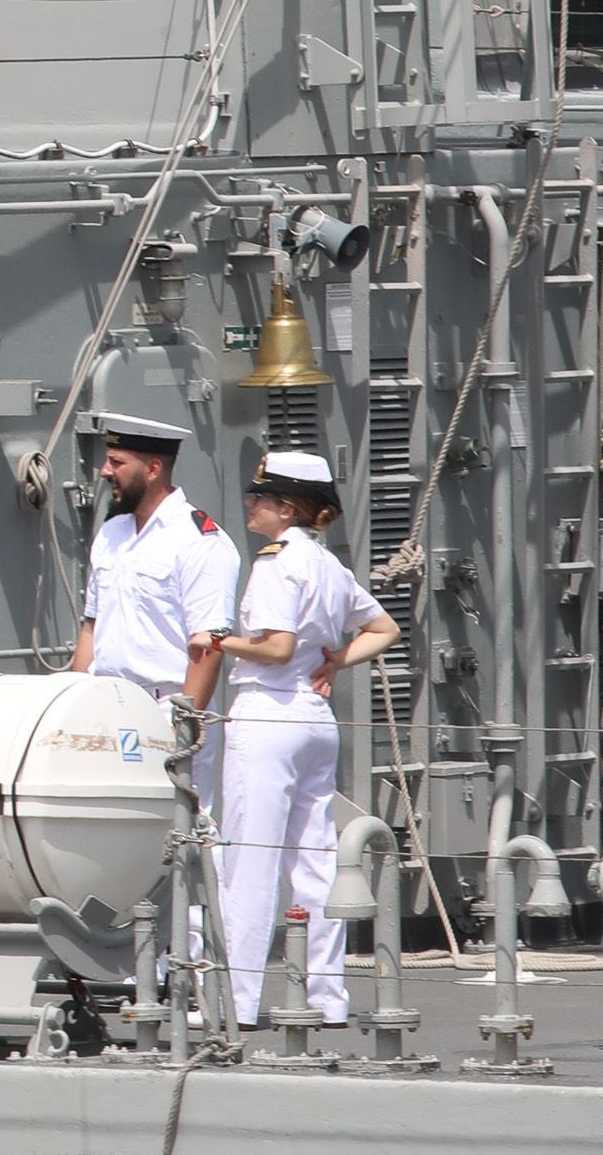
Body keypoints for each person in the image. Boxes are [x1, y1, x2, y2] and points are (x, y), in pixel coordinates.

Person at [204, 452, 398, 1024]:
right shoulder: (330, 568)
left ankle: (235, 1002)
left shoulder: (275, 564)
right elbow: (383, 628)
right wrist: (336, 662)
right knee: (314, 863)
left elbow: (277, 647)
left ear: (287, 509)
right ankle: (327, 998)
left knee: (250, 860)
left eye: (260, 498)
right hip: (315, 720)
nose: (250, 505)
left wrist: (219, 641)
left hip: (268, 716)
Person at [67, 412, 240, 707]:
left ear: (153, 469)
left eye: (117, 462)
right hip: (103, 702)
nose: (104, 472)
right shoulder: (112, 532)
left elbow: (208, 643)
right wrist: (73, 703)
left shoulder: (199, 541)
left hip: (165, 706)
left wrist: (184, 728)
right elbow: (91, 626)